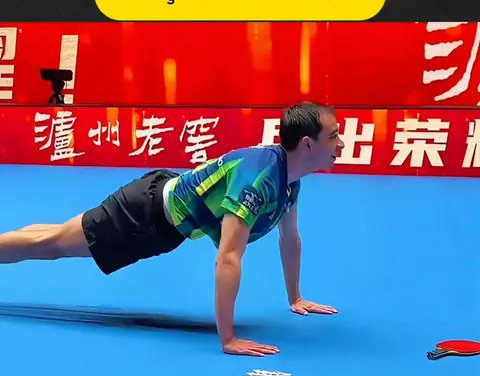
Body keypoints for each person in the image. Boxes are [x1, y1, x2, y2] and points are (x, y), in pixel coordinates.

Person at [0, 101, 344, 356]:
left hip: (161, 214)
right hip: (142, 216)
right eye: (333, 137)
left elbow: (289, 238)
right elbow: (228, 257)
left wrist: (295, 298)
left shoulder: (288, 178)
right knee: (52, 244)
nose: (340, 144)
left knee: (54, 237)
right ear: (307, 144)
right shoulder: (257, 180)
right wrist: (228, 339)